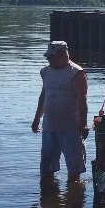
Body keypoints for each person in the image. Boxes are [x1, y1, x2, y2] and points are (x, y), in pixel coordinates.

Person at [32, 40, 89, 184]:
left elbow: (82, 101)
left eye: (52, 57)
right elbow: (44, 95)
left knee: (74, 171)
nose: (49, 60)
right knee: (46, 170)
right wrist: (37, 118)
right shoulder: (45, 72)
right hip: (49, 127)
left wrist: (83, 124)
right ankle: (48, 198)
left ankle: (73, 199)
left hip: (70, 128)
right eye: (48, 57)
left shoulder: (76, 73)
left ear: (63, 55)